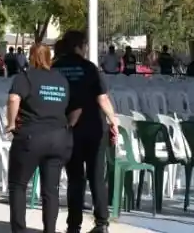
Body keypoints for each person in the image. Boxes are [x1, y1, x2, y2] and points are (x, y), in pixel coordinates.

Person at [6, 43, 77, 233]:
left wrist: (11, 123)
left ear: (31, 57)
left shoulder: (25, 77)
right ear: (49, 58)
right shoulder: (61, 79)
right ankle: (50, 230)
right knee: (51, 190)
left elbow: (13, 98)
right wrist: (68, 127)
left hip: (32, 136)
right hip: (59, 138)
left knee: (18, 185)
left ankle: (19, 230)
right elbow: (74, 107)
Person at [53, 31, 117, 233]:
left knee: (75, 178)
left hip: (69, 129)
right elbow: (102, 98)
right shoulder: (89, 68)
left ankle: (73, 225)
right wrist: (113, 120)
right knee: (96, 176)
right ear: (79, 46)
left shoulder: (56, 68)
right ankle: (101, 223)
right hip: (94, 129)